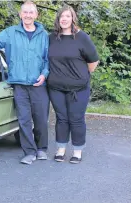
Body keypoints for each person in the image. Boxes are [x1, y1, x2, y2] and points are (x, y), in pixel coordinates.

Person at [0, 0, 50, 165]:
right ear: (20, 14)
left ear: (36, 15)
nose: (27, 15)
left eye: (31, 12)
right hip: (19, 84)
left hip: (38, 85)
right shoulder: (11, 32)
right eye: (25, 12)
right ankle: (29, 152)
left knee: (41, 118)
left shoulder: (44, 35)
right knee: (24, 120)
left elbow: (48, 59)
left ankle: (42, 148)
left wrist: (44, 74)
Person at [47, 5, 99, 164]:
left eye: (67, 16)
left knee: (76, 119)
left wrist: (82, 76)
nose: (64, 19)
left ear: (72, 19)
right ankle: (61, 149)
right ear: (58, 19)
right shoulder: (51, 38)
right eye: (61, 16)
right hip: (56, 88)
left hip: (79, 89)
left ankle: (77, 151)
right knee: (62, 118)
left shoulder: (81, 37)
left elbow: (93, 61)